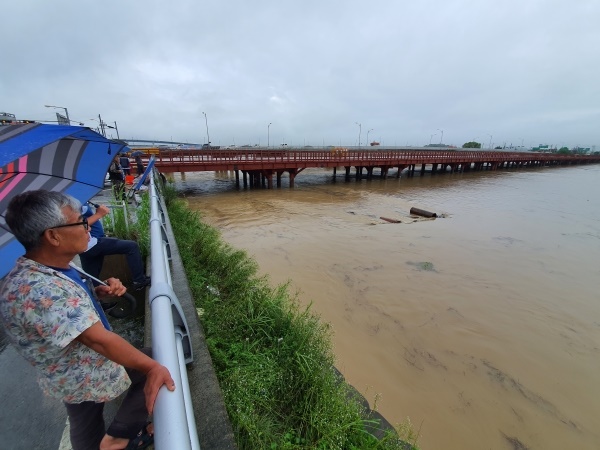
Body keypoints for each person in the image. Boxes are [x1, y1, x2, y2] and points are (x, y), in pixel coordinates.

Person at [0, 190, 175, 450]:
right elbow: (98, 340)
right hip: (80, 369)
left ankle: (111, 440)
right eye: (81, 222)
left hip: (70, 369)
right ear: (53, 236)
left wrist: (98, 293)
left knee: (86, 423)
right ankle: (118, 438)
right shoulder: (38, 287)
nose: (87, 227)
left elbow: (65, 310)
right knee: (155, 363)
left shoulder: (51, 268)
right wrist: (153, 368)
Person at [80, 202, 151, 291]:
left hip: (88, 245)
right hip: (93, 242)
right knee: (131, 246)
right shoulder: (71, 202)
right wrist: (99, 214)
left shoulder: (79, 198)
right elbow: (78, 224)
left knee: (92, 277)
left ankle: (99, 302)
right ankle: (139, 281)